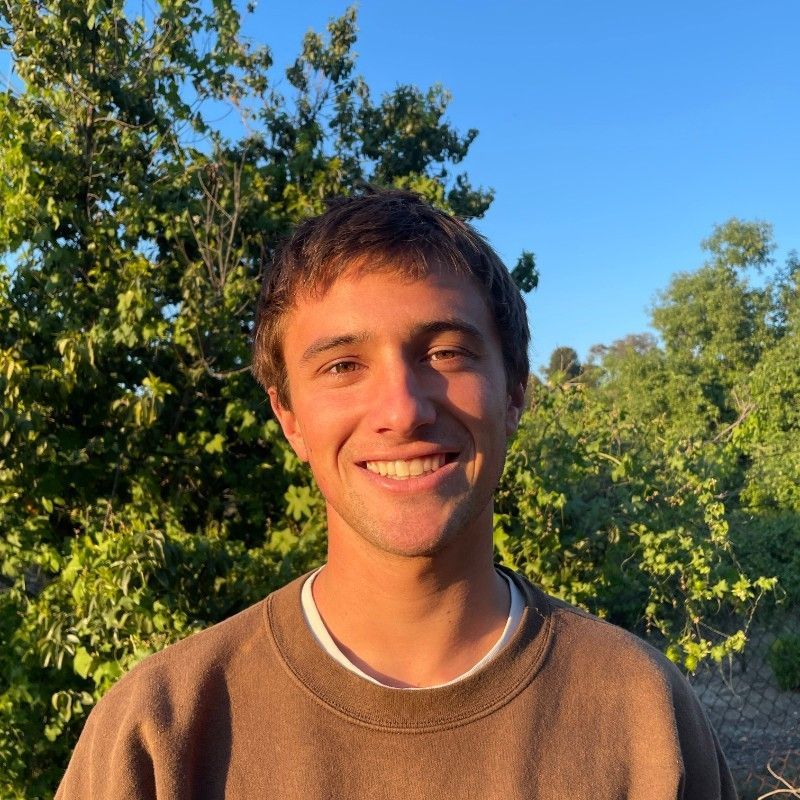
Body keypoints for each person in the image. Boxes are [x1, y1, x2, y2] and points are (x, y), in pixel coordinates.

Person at [56, 188, 737, 799]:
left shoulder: (644, 716)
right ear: (289, 418)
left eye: (445, 352)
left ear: (515, 394)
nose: (403, 409)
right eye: (343, 365)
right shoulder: (161, 733)